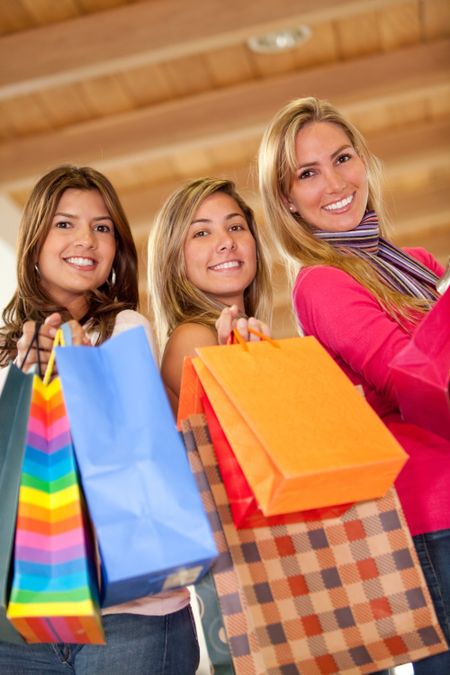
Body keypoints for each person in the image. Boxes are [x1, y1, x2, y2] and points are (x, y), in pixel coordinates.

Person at [258, 96, 450, 674]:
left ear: (365, 161)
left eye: (342, 159)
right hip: (430, 507)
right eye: (308, 174)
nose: (334, 183)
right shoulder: (320, 281)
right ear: (287, 199)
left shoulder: (411, 261)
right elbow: (404, 377)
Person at [0, 165, 199, 675]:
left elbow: (138, 454)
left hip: (127, 615)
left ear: (117, 248)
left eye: (103, 227)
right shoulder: (5, 353)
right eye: (65, 224)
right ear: (35, 238)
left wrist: (80, 363)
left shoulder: (124, 328)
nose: (85, 239)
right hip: (18, 623)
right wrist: (24, 376)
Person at [147, 176, 272, 414]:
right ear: (175, 258)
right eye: (202, 233)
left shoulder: (241, 334)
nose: (227, 242)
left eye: (235, 227)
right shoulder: (193, 336)